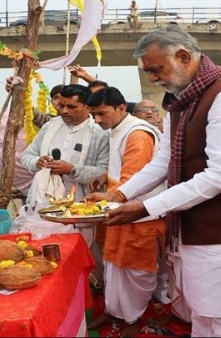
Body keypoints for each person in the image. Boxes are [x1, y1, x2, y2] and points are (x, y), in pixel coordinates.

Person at [98, 25, 221, 337]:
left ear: (183, 56)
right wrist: (120, 194)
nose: (153, 80)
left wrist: (145, 208)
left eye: (156, 70)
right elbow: (165, 159)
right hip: (197, 226)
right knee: (204, 314)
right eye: (149, 72)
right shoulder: (182, 98)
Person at [84, 86, 166, 336]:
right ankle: (114, 310)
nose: (97, 120)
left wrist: (108, 195)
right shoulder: (118, 128)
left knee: (135, 270)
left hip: (140, 215)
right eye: (93, 114)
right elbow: (122, 171)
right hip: (120, 211)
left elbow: (136, 178)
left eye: (101, 113)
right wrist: (105, 177)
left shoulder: (138, 134)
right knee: (114, 266)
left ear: (121, 108)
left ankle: (134, 317)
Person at [20, 84, 109, 246]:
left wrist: (72, 170)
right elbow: (26, 156)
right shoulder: (49, 127)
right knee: (42, 251)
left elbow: (104, 172)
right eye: (62, 106)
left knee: (76, 256)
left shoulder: (100, 133)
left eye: (71, 107)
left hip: (79, 209)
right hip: (44, 205)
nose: (64, 111)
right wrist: (37, 161)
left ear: (87, 107)